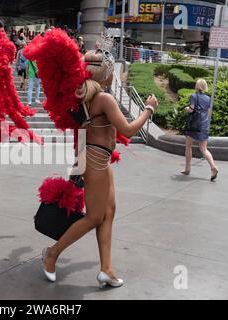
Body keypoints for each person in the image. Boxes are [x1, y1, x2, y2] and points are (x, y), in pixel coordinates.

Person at [41, 45, 159, 287]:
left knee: (109, 213)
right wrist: (148, 110)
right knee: (95, 216)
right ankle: (51, 254)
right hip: (96, 160)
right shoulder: (103, 98)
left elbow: (82, 133)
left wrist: (78, 163)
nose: (113, 74)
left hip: (95, 158)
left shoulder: (85, 98)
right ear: (104, 72)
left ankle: (106, 268)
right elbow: (127, 129)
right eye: (111, 69)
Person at [181, 79, 218, 181]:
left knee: (188, 146)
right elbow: (208, 113)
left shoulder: (193, 96)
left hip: (194, 125)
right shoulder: (208, 98)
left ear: (197, 86)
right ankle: (213, 166)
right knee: (204, 149)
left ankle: (187, 168)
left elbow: (192, 109)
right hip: (204, 125)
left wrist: (186, 109)